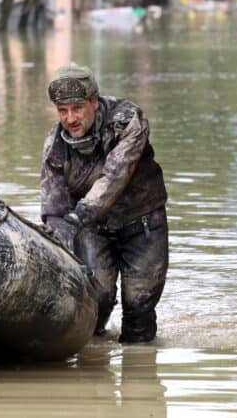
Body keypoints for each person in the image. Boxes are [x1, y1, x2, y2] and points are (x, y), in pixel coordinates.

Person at [39, 63, 168, 344]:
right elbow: (54, 208)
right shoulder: (55, 145)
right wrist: (61, 252)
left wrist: (77, 217)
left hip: (143, 224)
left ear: (94, 103)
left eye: (77, 108)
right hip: (92, 227)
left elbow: (113, 178)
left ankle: (140, 374)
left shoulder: (128, 122)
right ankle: (92, 368)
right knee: (95, 302)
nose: (70, 118)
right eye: (63, 111)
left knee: (139, 308)